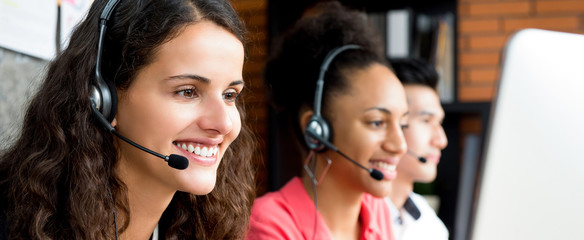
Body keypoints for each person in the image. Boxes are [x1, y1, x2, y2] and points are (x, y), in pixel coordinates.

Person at [0, 0, 256, 239]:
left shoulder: (203, 229)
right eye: (187, 92)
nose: (224, 124)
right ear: (101, 99)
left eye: (229, 95)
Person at [247, 2, 409, 239]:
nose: (400, 145)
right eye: (377, 122)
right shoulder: (268, 224)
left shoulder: (376, 211)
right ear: (316, 131)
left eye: (403, 124)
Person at [386, 58, 449, 240]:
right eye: (426, 121)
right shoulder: (348, 216)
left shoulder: (430, 224)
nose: (441, 140)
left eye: (439, 123)